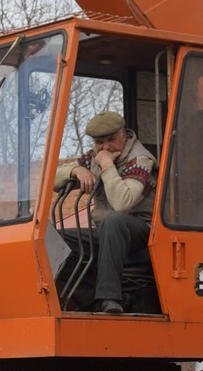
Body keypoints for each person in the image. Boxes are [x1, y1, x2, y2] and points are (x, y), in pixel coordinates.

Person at [55, 108, 156, 315]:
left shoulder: (140, 159)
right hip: (107, 232)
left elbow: (122, 203)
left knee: (115, 220)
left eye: (111, 140)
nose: (106, 147)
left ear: (124, 135)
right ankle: (89, 299)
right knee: (54, 239)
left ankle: (109, 299)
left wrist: (108, 166)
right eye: (99, 142)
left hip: (141, 230)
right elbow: (53, 180)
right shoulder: (94, 157)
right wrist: (75, 170)